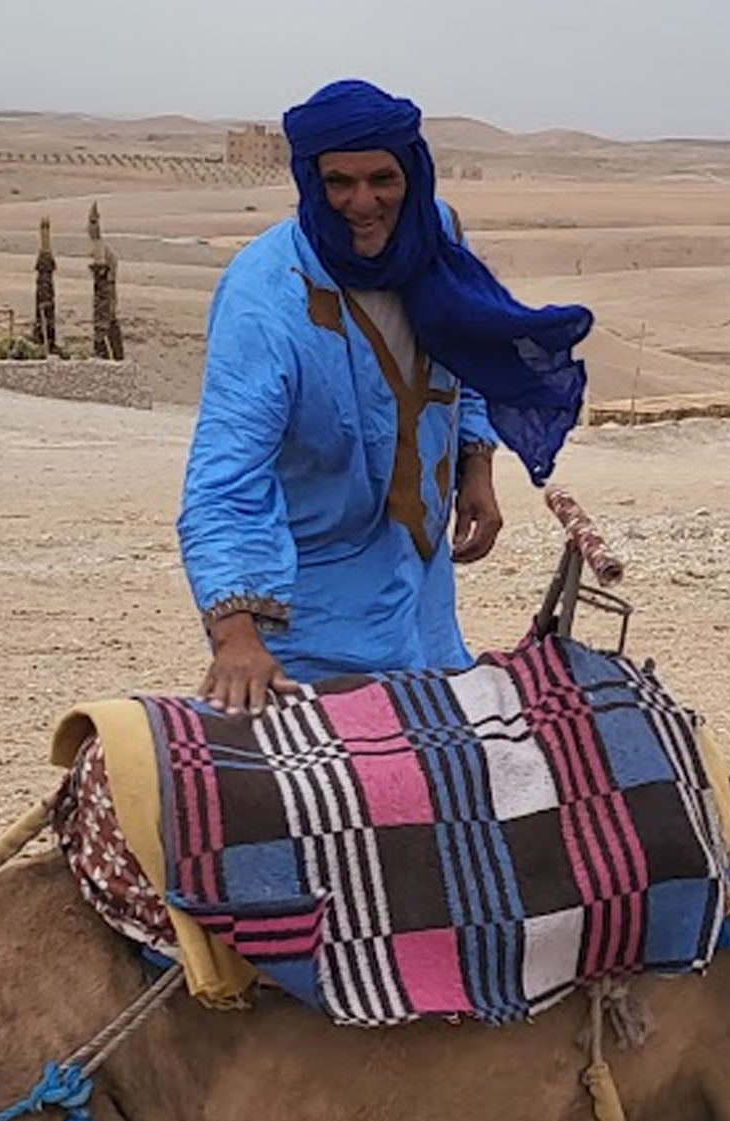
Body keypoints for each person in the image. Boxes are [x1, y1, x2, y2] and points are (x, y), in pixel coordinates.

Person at [178, 80, 592, 714]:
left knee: (447, 749)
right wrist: (235, 636)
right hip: (315, 606)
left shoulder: (432, 239)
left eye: (382, 180)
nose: (363, 203)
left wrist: (475, 463)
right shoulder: (264, 299)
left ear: (412, 175)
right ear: (310, 182)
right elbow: (226, 478)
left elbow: (464, 344)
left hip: (422, 594)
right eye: (339, 183)